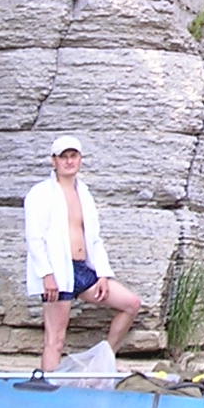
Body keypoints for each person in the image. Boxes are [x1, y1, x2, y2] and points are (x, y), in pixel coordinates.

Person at [24, 133, 141, 371]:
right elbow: (34, 238)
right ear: (54, 161)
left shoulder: (84, 193)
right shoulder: (40, 193)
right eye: (63, 157)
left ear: (80, 159)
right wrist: (47, 275)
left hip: (82, 269)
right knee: (55, 339)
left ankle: (103, 361)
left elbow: (94, 238)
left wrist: (102, 274)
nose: (69, 161)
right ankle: (50, 391)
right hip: (57, 270)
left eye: (73, 156)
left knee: (131, 304)